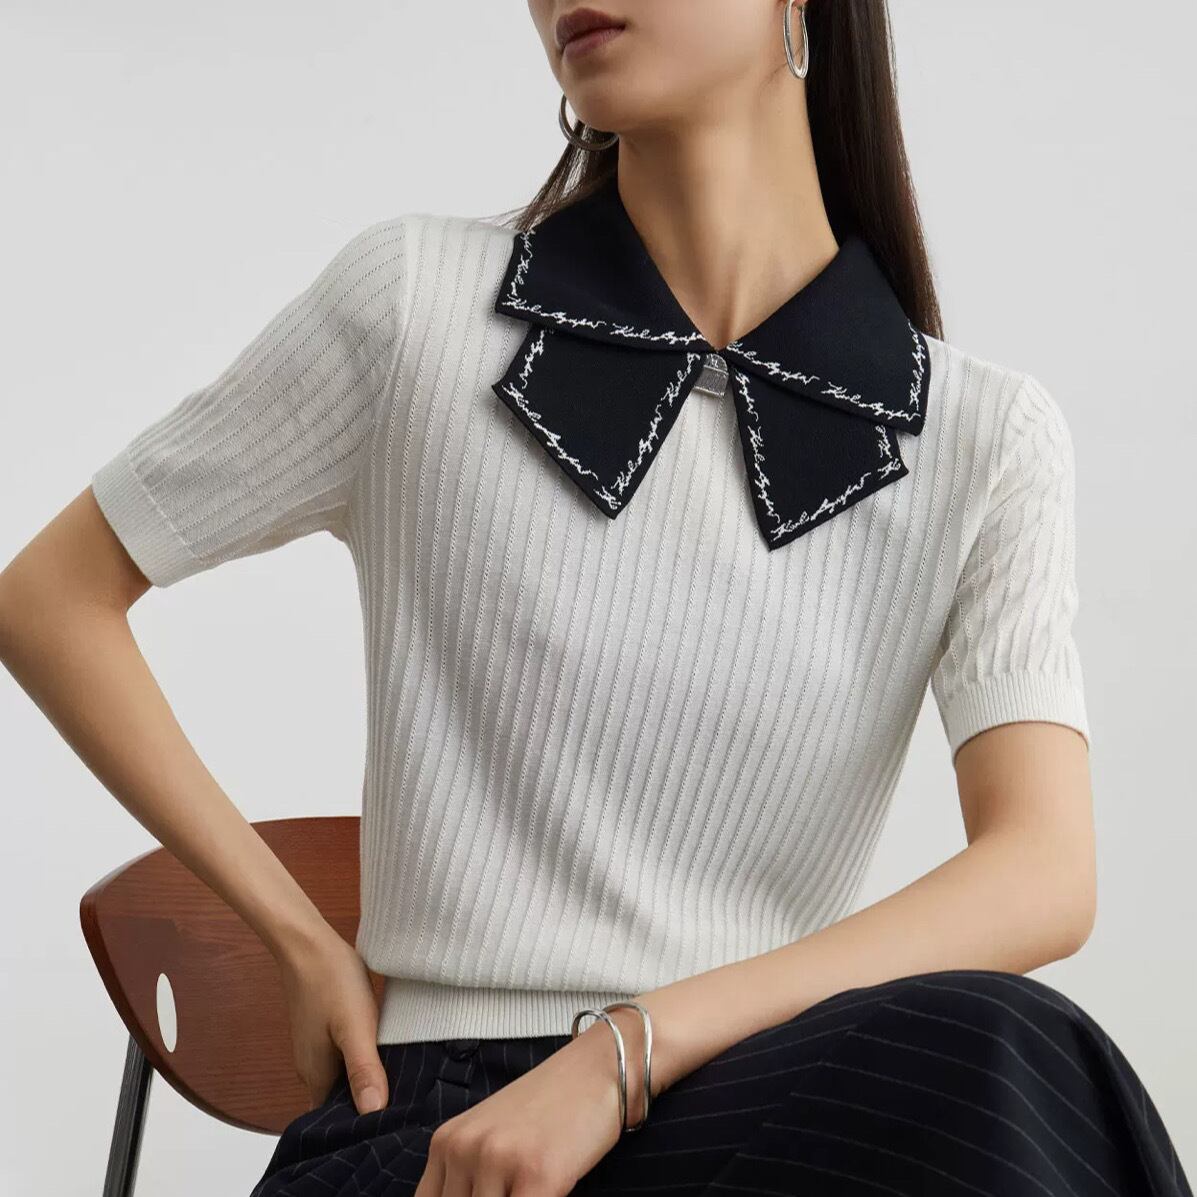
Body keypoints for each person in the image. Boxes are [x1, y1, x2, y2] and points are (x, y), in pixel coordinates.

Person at [0, 2, 1190, 1195]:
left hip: (762, 1109)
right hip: (439, 1142)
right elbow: (48, 598)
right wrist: (297, 936)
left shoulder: (982, 441)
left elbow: (1044, 871)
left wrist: (624, 1054)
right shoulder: (417, 308)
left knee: (1005, 1059)